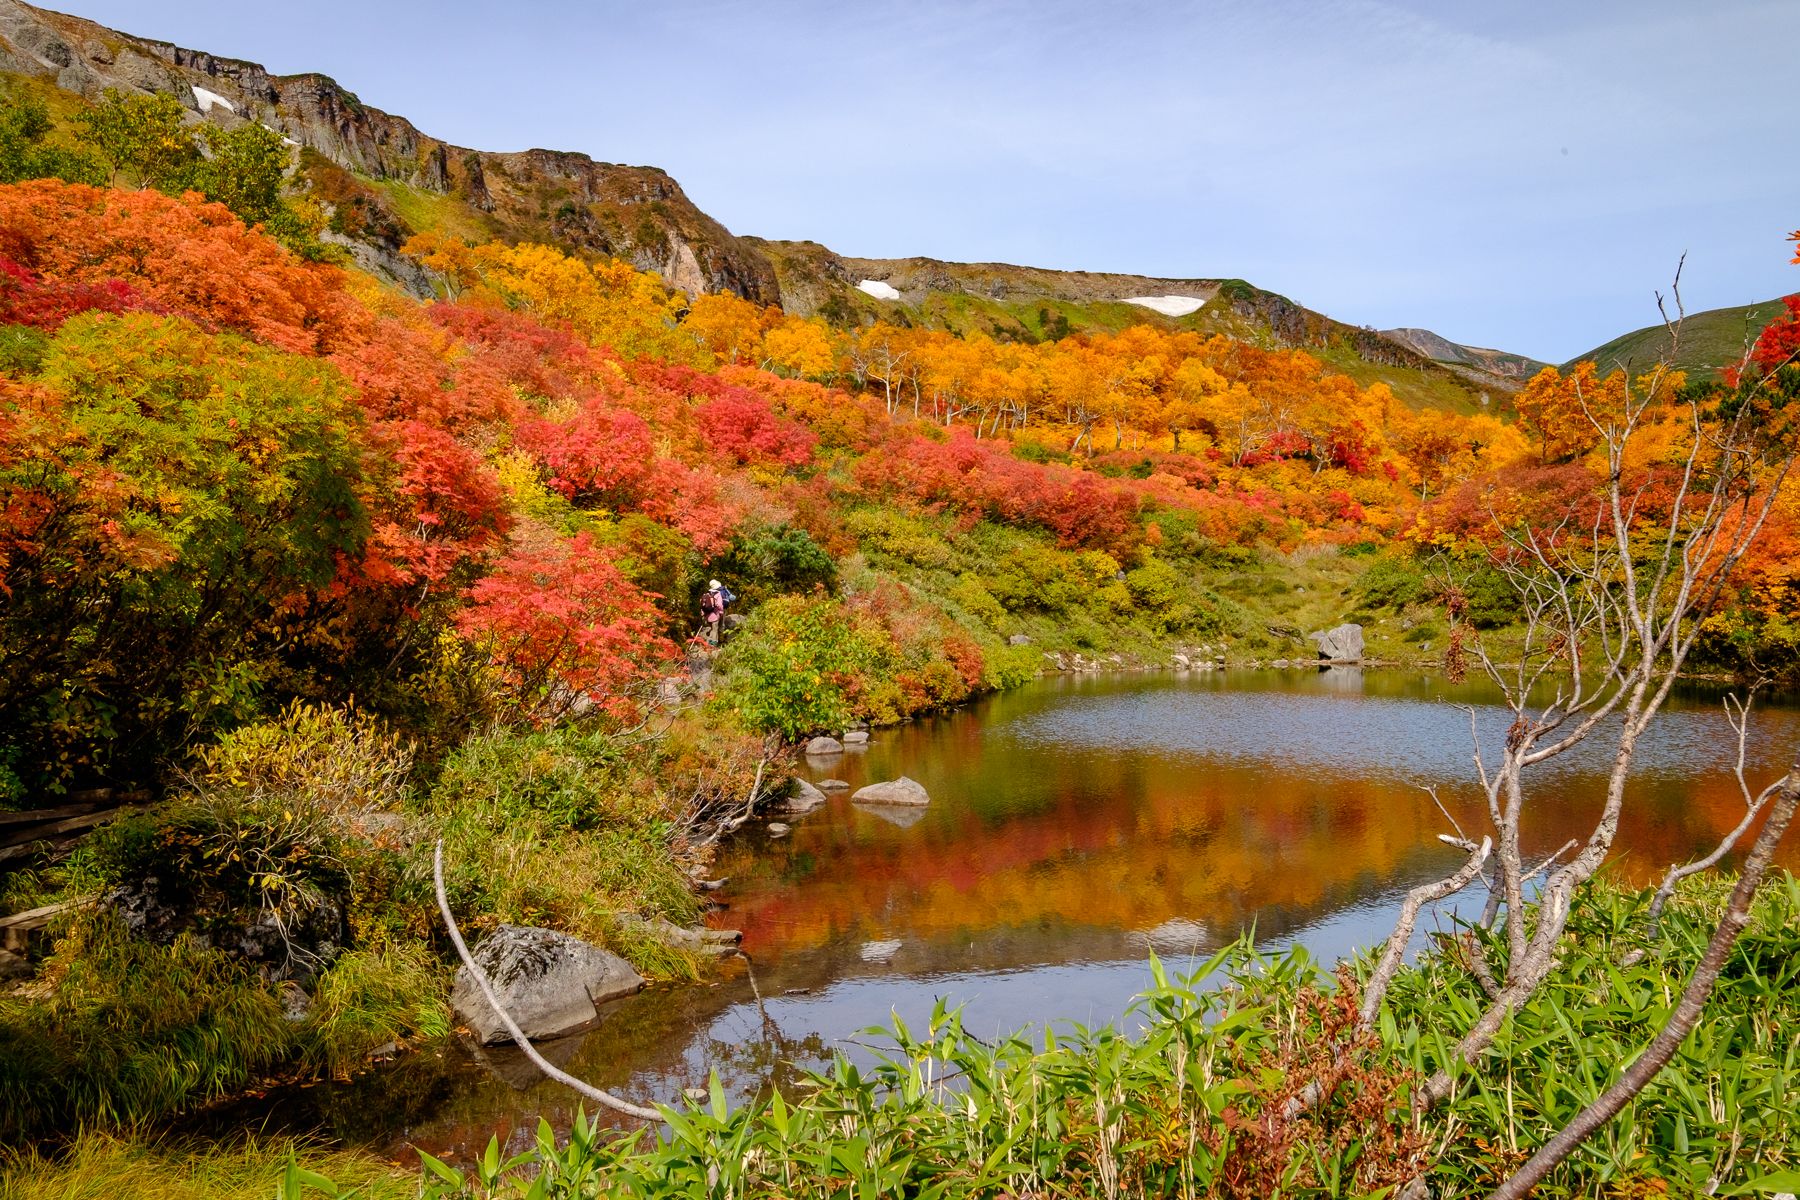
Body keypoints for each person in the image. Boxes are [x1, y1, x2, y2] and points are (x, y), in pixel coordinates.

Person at [700, 579, 730, 645]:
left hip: (707, 615)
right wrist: (721, 612)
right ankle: (713, 644)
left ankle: (709, 642)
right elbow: (719, 605)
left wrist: (703, 613)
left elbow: (702, 604)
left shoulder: (706, 593)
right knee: (715, 629)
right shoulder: (717, 594)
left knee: (712, 628)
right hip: (714, 615)